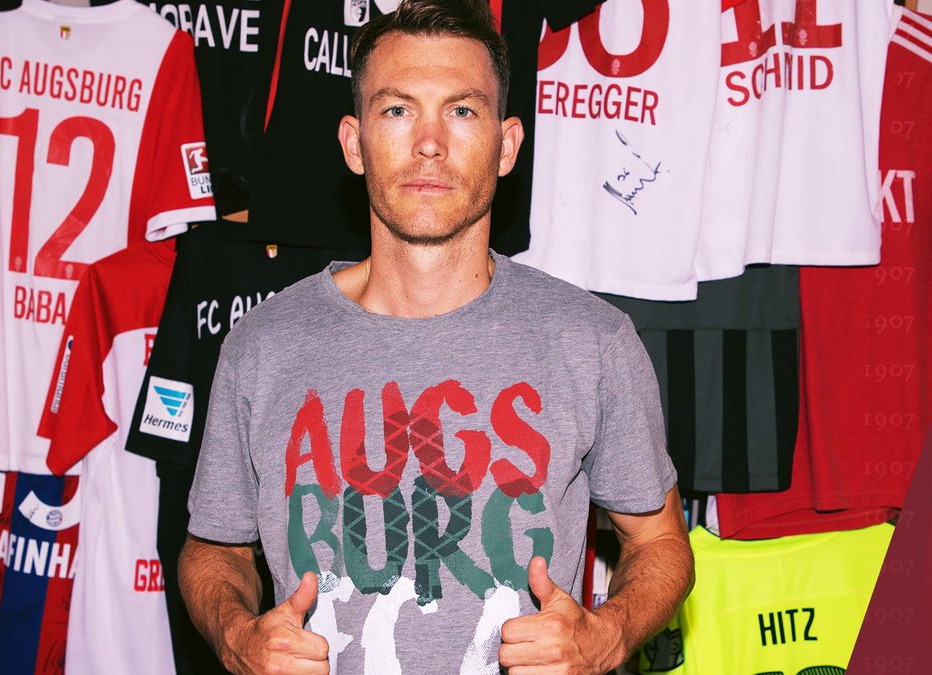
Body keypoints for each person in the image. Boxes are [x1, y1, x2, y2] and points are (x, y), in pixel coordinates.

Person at [178, 1, 694, 672]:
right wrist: (236, 636)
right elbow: (214, 547)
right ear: (353, 143)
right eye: (397, 110)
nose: (429, 143)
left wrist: (608, 636)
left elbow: (660, 541)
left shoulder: (592, 341)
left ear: (507, 146)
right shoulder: (263, 344)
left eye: (462, 111)